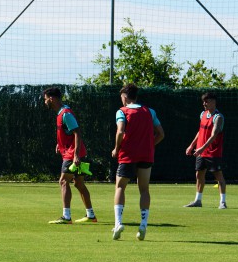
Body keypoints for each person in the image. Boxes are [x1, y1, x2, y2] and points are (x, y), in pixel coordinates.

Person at [111, 83, 165, 241]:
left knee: (120, 186)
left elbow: (120, 131)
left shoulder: (122, 111)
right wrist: (148, 145)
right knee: (144, 189)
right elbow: (161, 134)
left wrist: (116, 148)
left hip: (128, 155)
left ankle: (118, 223)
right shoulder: (150, 111)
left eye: (121, 97)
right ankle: (143, 224)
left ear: (125, 97)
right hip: (146, 155)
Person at [42, 87, 98, 225]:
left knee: (63, 181)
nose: (44, 102)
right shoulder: (61, 113)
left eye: (45, 99)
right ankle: (91, 215)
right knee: (79, 183)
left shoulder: (66, 114)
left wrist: (76, 156)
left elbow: (77, 133)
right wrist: (59, 143)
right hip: (71, 152)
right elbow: (67, 132)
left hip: (72, 154)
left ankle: (66, 216)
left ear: (51, 98)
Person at [184, 91, 227, 209]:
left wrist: (202, 148)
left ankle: (222, 202)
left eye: (206, 101)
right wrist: (192, 145)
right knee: (199, 174)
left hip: (213, 152)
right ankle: (198, 200)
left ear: (213, 102)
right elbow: (200, 131)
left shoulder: (218, 117)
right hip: (201, 152)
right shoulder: (202, 114)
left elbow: (213, 135)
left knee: (218, 176)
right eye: (203, 101)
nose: (204, 104)